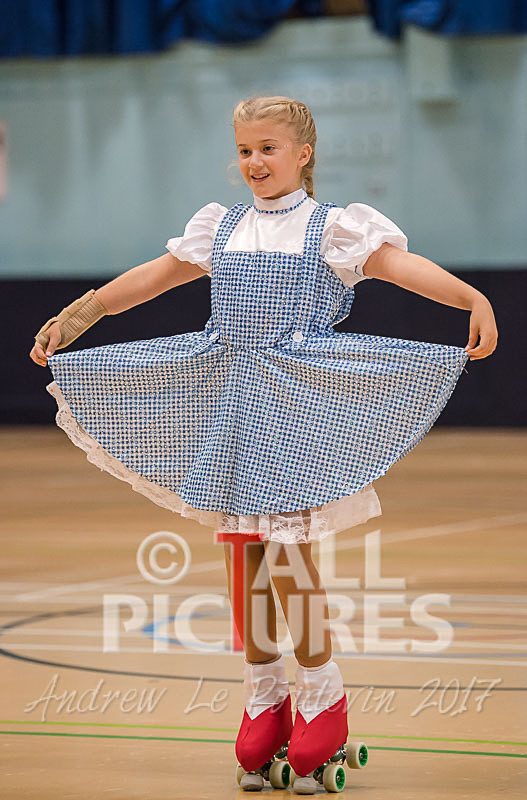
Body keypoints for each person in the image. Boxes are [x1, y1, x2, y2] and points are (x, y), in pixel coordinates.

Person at [30, 95, 498, 790]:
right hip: (230, 402)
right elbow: (149, 280)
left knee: (291, 561)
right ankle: (263, 693)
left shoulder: (331, 229)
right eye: (245, 150)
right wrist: (76, 316)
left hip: (296, 402)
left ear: (302, 153)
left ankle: (321, 695)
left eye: (268, 149)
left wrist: (471, 298)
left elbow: (403, 268)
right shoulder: (219, 229)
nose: (254, 163)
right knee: (244, 561)